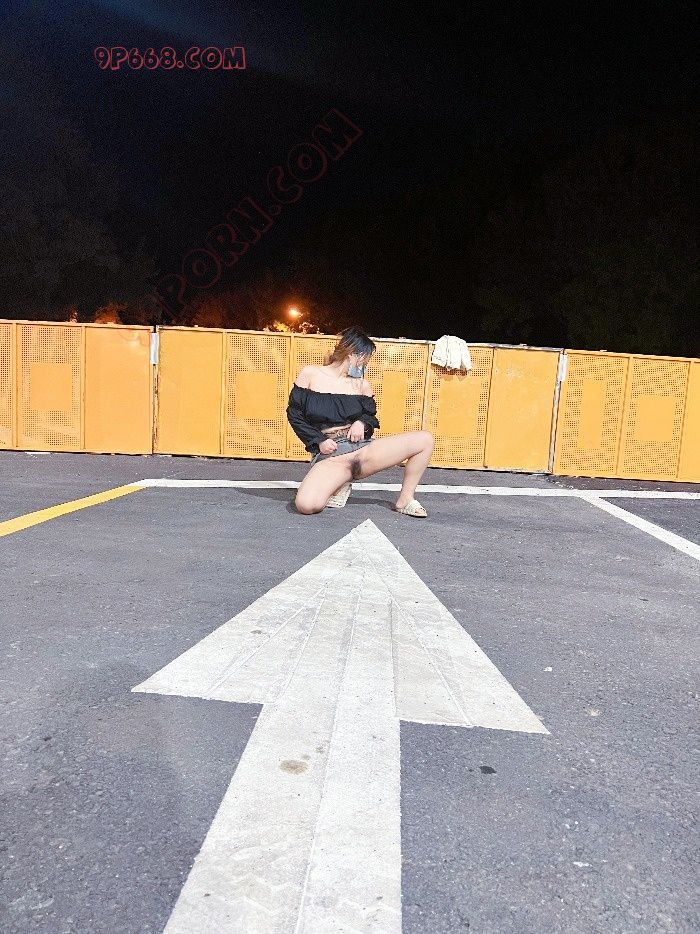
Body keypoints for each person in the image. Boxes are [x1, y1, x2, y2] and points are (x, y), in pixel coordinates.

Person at [286, 326, 435, 516]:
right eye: (364, 360)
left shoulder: (362, 384)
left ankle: (405, 499)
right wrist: (318, 440)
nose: (365, 365)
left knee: (425, 440)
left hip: (363, 450)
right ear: (352, 354)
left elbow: (370, 416)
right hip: (331, 456)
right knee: (306, 505)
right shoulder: (311, 374)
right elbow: (295, 414)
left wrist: (361, 423)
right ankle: (338, 484)